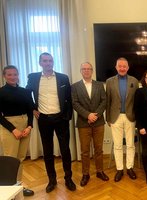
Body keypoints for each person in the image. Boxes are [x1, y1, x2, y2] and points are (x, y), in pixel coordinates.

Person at [26, 52, 76, 193]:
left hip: (61, 119)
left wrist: (67, 116)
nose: (48, 63)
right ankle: (52, 180)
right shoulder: (33, 77)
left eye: (50, 60)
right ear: (40, 63)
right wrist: (33, 109)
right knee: (47, 151)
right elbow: (26, 94)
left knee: (65, 149)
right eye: (45, 61)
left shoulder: (63, 78)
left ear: (53, 62)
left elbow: (69, 99)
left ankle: (68, 178)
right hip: (44, 119)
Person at [71, 62, 109, 186]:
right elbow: (75, 103)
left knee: (99, 149)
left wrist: (95, 115)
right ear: (81, 71)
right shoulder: (75, 86)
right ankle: (85, 174)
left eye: (89, 69)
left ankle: (100, 171)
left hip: (98, 122)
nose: (86, 71)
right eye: (84, 69)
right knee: (85, 151)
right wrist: (88, 115)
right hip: (83, 122)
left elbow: (104, 101)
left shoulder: (99, 85)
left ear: (92, 71)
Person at [0, 65, 34, 196]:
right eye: (9, 75)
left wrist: (29, 126)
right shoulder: (1, 92)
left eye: (15, 74)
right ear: (4, 76)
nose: (13, 77)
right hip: (9, 126)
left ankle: (18, 186)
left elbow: (30, 110)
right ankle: (9, 190)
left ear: (18, 75)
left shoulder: (24, 91)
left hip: (25, 125)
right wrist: (13, 130)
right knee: (10, 159)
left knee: (20, 158)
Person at [106, 57, 139, 182]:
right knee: (118, 145)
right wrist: (108, 118)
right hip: (115, 117)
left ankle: (130, 168)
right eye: (120, 66)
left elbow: (137, 101)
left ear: (128, 67)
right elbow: (108, 100)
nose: (122, 68)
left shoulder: (134, 81)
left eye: (124, 66)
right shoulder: (109, 81)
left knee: (131, 144)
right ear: (116, 67)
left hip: (130, 117)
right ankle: (119, 169)